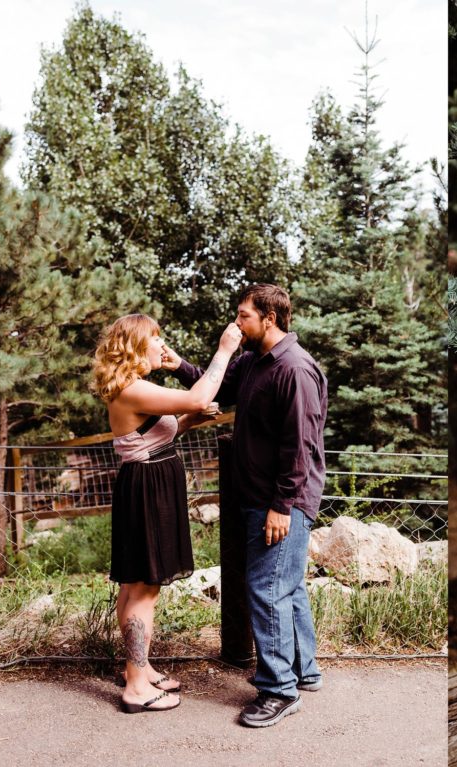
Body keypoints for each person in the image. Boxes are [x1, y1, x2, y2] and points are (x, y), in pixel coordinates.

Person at [162, 284, 327, 728]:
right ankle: (303, 670)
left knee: (266, 588)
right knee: (286, 586)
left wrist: (282, 506)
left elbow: (301, 445)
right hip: (260, 496)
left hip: (282, 500)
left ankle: (278, 690)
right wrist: (177, 365)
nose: (236, 324)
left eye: (243, 316)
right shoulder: (254, 362)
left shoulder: (294, 369)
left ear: (269, 318)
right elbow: (212, 386)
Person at [91, 313, 242, 713]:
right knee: (144, 588)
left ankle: (137, 668)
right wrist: (224, 351)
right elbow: (195, 395)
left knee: (134, 585)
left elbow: (156, 431)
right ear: (136, 347)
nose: (162, 345)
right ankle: (137, 688)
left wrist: (191, 419)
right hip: (148, 490)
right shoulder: (133, 388)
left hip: (146, 484)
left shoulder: (135, 389)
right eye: (155, 339)